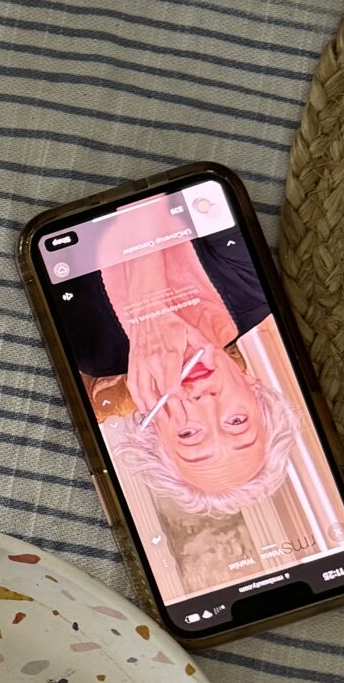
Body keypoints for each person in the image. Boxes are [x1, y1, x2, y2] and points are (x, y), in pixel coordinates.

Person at [62, 193, 299, 517]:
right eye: (237, 421)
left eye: (189, 434)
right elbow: (158, 191)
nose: (205, 402)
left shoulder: (93, 351)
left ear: (152, 426)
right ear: (255, 390)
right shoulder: (254, 290)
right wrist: (151, 310)